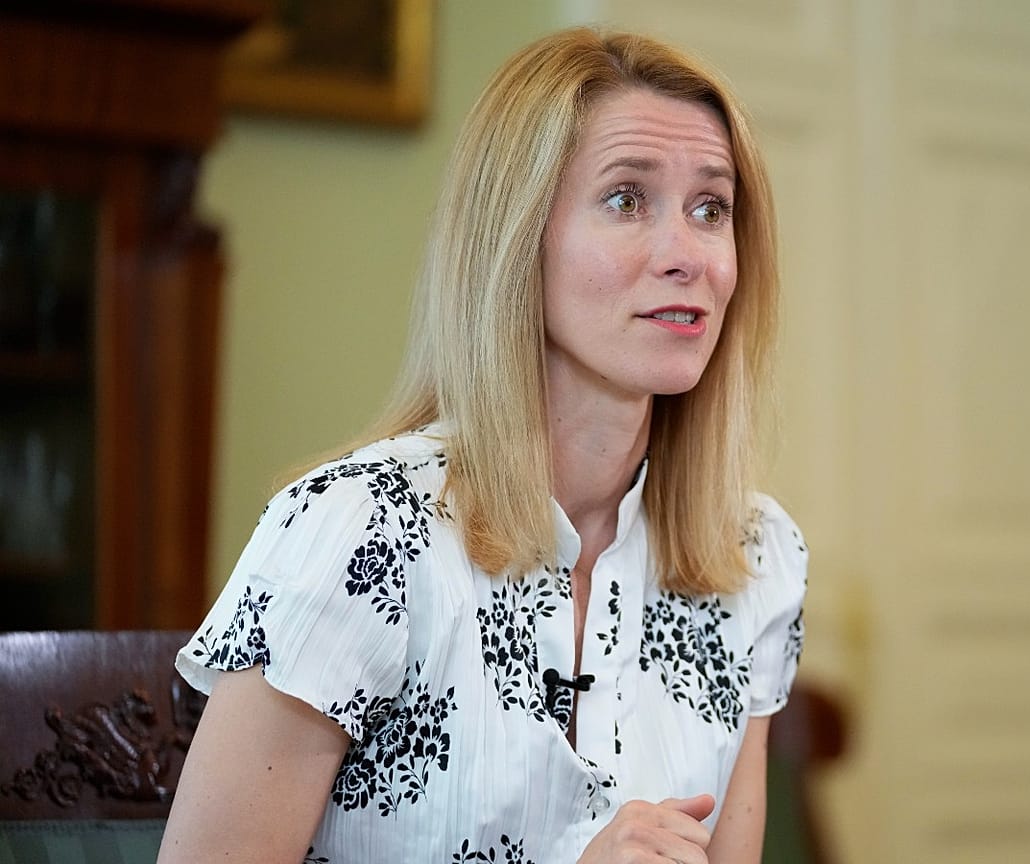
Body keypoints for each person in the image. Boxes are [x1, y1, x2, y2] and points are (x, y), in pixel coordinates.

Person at [158, 26, 807, 864]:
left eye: (710, 209)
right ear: (516, 238)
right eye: (626, 199)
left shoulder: (754, 557)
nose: (688, 255)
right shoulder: (359, 531)